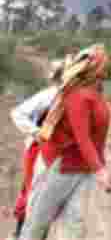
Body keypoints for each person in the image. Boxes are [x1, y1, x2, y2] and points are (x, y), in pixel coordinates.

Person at [18, 44, 111, 240]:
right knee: (38, 220)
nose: (106, 68)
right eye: (103, 63)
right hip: (60, 164)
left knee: (74, 224)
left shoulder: (96, 96)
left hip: (83, 168)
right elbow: (82, 136)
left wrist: (98, 165)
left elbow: (98, 139)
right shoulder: (77, 95)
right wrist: (100, 169)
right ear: (94, 69)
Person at [4, 59, 67, 240]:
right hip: (39, 151)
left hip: (59, 156)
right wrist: (37, 132)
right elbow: (18, 113)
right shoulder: (50, 96)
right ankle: (19, 234)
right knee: (33, 194)